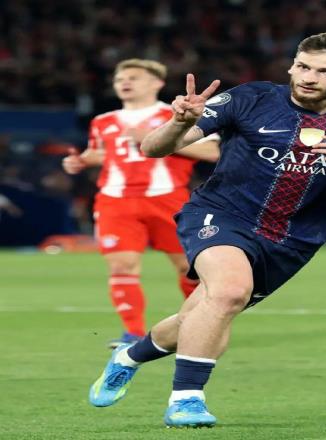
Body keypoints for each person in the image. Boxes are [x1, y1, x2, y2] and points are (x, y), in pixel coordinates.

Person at [88, 33, 326, 427]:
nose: (309, 77)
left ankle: (128, 357)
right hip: (221, 214)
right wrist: (179, 124)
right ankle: (186, 400)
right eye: (303, 66)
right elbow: (152, 147)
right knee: (229, 291)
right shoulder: (251, 98)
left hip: (294, 239)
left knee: (198, 316)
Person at [63, 59, 219, 348]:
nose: (125, 82)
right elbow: (102, 153)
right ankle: (132, 334)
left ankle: (198, 324)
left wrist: (158, 138)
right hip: (115, 200)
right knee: (122, 266)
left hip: (168, 198)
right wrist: (81, 161)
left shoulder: (178, 113)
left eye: (134, 77)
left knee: (189, 268)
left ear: (156, 83)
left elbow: (211, 151)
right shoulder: (103, 121)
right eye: (119, 78)